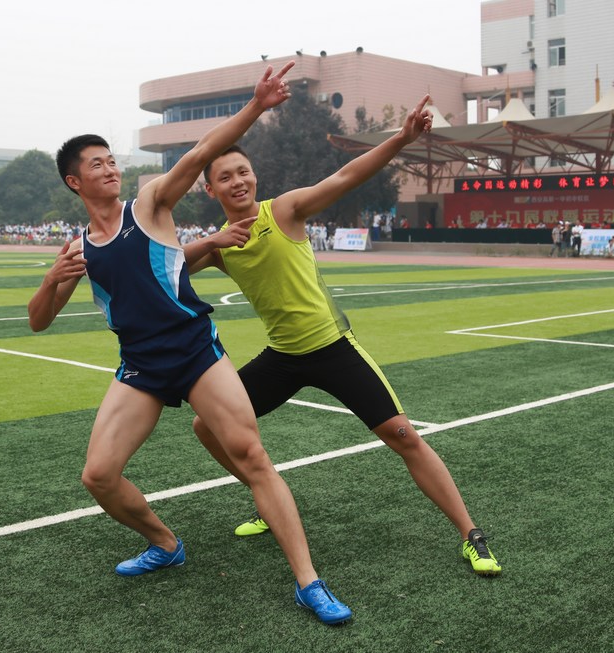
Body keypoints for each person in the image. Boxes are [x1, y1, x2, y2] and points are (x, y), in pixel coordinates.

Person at [27, 63, 351, 626]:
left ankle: (309, 582)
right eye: (96, 164)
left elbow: (200, 153)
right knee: (98, 476)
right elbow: (38, 321)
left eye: (111, 160)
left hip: (197, 352)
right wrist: (52, 279)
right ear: (74, 182)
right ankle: (165, 543)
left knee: (251, 456)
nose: (110, 169)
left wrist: (256, 107)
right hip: (141, 367)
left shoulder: (149, 205)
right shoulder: (78, 248)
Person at [185, 94, 501, 577]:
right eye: (225, 177)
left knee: (403, 436)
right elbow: (162, 266)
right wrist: (209, 241)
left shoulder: (284, 211)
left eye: (243, 172)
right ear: (210, 190)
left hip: (333, 348)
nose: (238, 181)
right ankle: (268, 499)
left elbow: (346, 176)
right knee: (207, 426)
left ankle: (470, 534)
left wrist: (401, 138)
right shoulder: (218, 245)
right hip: (282, 358)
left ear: (255, 175)